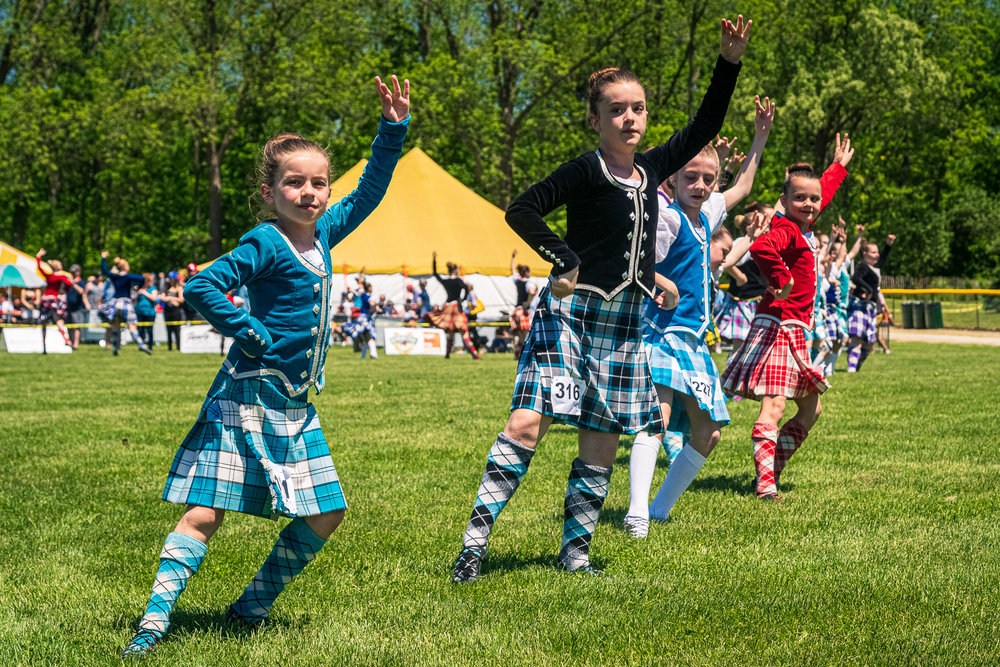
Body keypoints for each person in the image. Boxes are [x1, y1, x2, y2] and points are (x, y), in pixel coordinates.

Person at [451, 16, 749, 582]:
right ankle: (473, 544)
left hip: (627, 324)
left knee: (602, 440)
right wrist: (565, 260)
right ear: (596, 119)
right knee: (525, 427)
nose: (629, 117)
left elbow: (707, 121)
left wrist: (727, 62)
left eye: (637, 108)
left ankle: (576, 551)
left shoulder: (655, 166)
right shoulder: (586, 169)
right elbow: (522, 208)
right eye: (617, 109)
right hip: (570, 315)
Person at [120, 75, 410, 658]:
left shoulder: (324, 232)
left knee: (328, 513)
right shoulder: (266, 240)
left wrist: (392, 128)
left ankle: (251, 606)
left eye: (319, 183)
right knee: (206, 513)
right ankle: (153, 622)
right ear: (270, 190)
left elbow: (371, 190)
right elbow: (204, 285)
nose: (310, 192)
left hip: (294, 406)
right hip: (246, 397)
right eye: (294, 182)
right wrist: (249, 331)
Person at [623, 94, 774, 538]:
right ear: (671, 178)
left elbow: (742, 187)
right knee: (659, 418)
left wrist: (759, 137)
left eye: (709, 178)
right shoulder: (666, 218)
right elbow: (636, 265)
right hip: (659, 334)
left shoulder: (705, 214)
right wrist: (662, 285)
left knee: (708, 433)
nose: (702, 185)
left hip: (692, 340)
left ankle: (660, 510)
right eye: (691, 176)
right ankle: (636, 515)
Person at [721, 139, 854, 502]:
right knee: (775, 407)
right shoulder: (788, 229)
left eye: (813, 200)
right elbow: (763, 247)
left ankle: (769, 472)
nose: (810, 204)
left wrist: (837, 167)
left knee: (812, 409)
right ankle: (766, 487)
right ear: (785, 199)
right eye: (800, 199)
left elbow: (818, 190)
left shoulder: (804, 224)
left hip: (795, 328)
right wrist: (781, 280)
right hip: (778, 326)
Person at [846, 233, 896, 372]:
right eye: (873, 252)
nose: (877, 255)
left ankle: (856, 368)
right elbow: (856, 278)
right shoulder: (863, 266)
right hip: (860, 306)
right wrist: (868, 289)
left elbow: (883, 258)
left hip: (870, 308)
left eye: (877, 252)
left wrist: (888, 244)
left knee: (869, 342)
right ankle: (851, 368)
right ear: (865, 253)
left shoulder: (875, 267)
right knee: (857, 338)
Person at [426, 252, 480, 359]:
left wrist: (434, 260)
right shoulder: (458, 281)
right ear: (455, 270)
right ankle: (474, 354)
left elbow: (435, 274)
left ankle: (447, 354)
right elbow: (465, 288)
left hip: (448, 308)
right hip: (456, 307)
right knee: (464, 332)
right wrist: (462, 299)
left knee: (450, 334)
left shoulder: (446, 281)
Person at [99, 251, 152, 355]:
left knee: (115, 326)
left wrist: (103, 258)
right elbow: (142, 278)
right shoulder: (128, 277)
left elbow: (105, 271)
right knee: (132, 326)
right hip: (126, 303)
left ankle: (115, 348)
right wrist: (138, 287)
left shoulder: (115, 277)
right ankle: (141, 345)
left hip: (115, 303)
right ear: (124, 267)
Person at [35, 248, 77, 348]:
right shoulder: (61, 276)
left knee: (44, 323)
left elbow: (40, 268)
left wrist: (38, 257)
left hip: (45, 300)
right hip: (53, 301)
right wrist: (65, 290)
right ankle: (66, 339)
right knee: (59, 321)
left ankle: (44, 345)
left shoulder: (49, 276)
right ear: (58, 267)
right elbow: (69, 284)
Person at [509, 249, 538, 359]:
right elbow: (531, 292)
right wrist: (530, 301)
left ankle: (517, 355)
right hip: (524, 311)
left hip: (517, 310)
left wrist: (512, 258)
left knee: (519, 336)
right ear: (527, 272)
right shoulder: (529, 282)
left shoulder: (517, 280)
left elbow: (512, 270)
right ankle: (526, 355)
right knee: (527, 335)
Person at [161, 272, 186, 351]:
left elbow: (181, 299)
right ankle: (169, 347)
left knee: (177, 329)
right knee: (168, 330)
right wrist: (173, 300)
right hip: (167, 311)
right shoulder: (165, 287)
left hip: (176, 311)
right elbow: (162, 298)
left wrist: (169, 298)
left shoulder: (179, 288)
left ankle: (178, 347)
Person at [135, 273, 159, 349]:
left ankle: (150, 346)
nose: (151, 281)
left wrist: (144, 292)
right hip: (140, 312)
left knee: (149, 330)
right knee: (140, 330)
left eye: (152, 280)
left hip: (150, 313)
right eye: (149, 280)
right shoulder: (139, 288)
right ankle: (141, 345)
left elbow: (154, 298)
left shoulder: (153, 289)